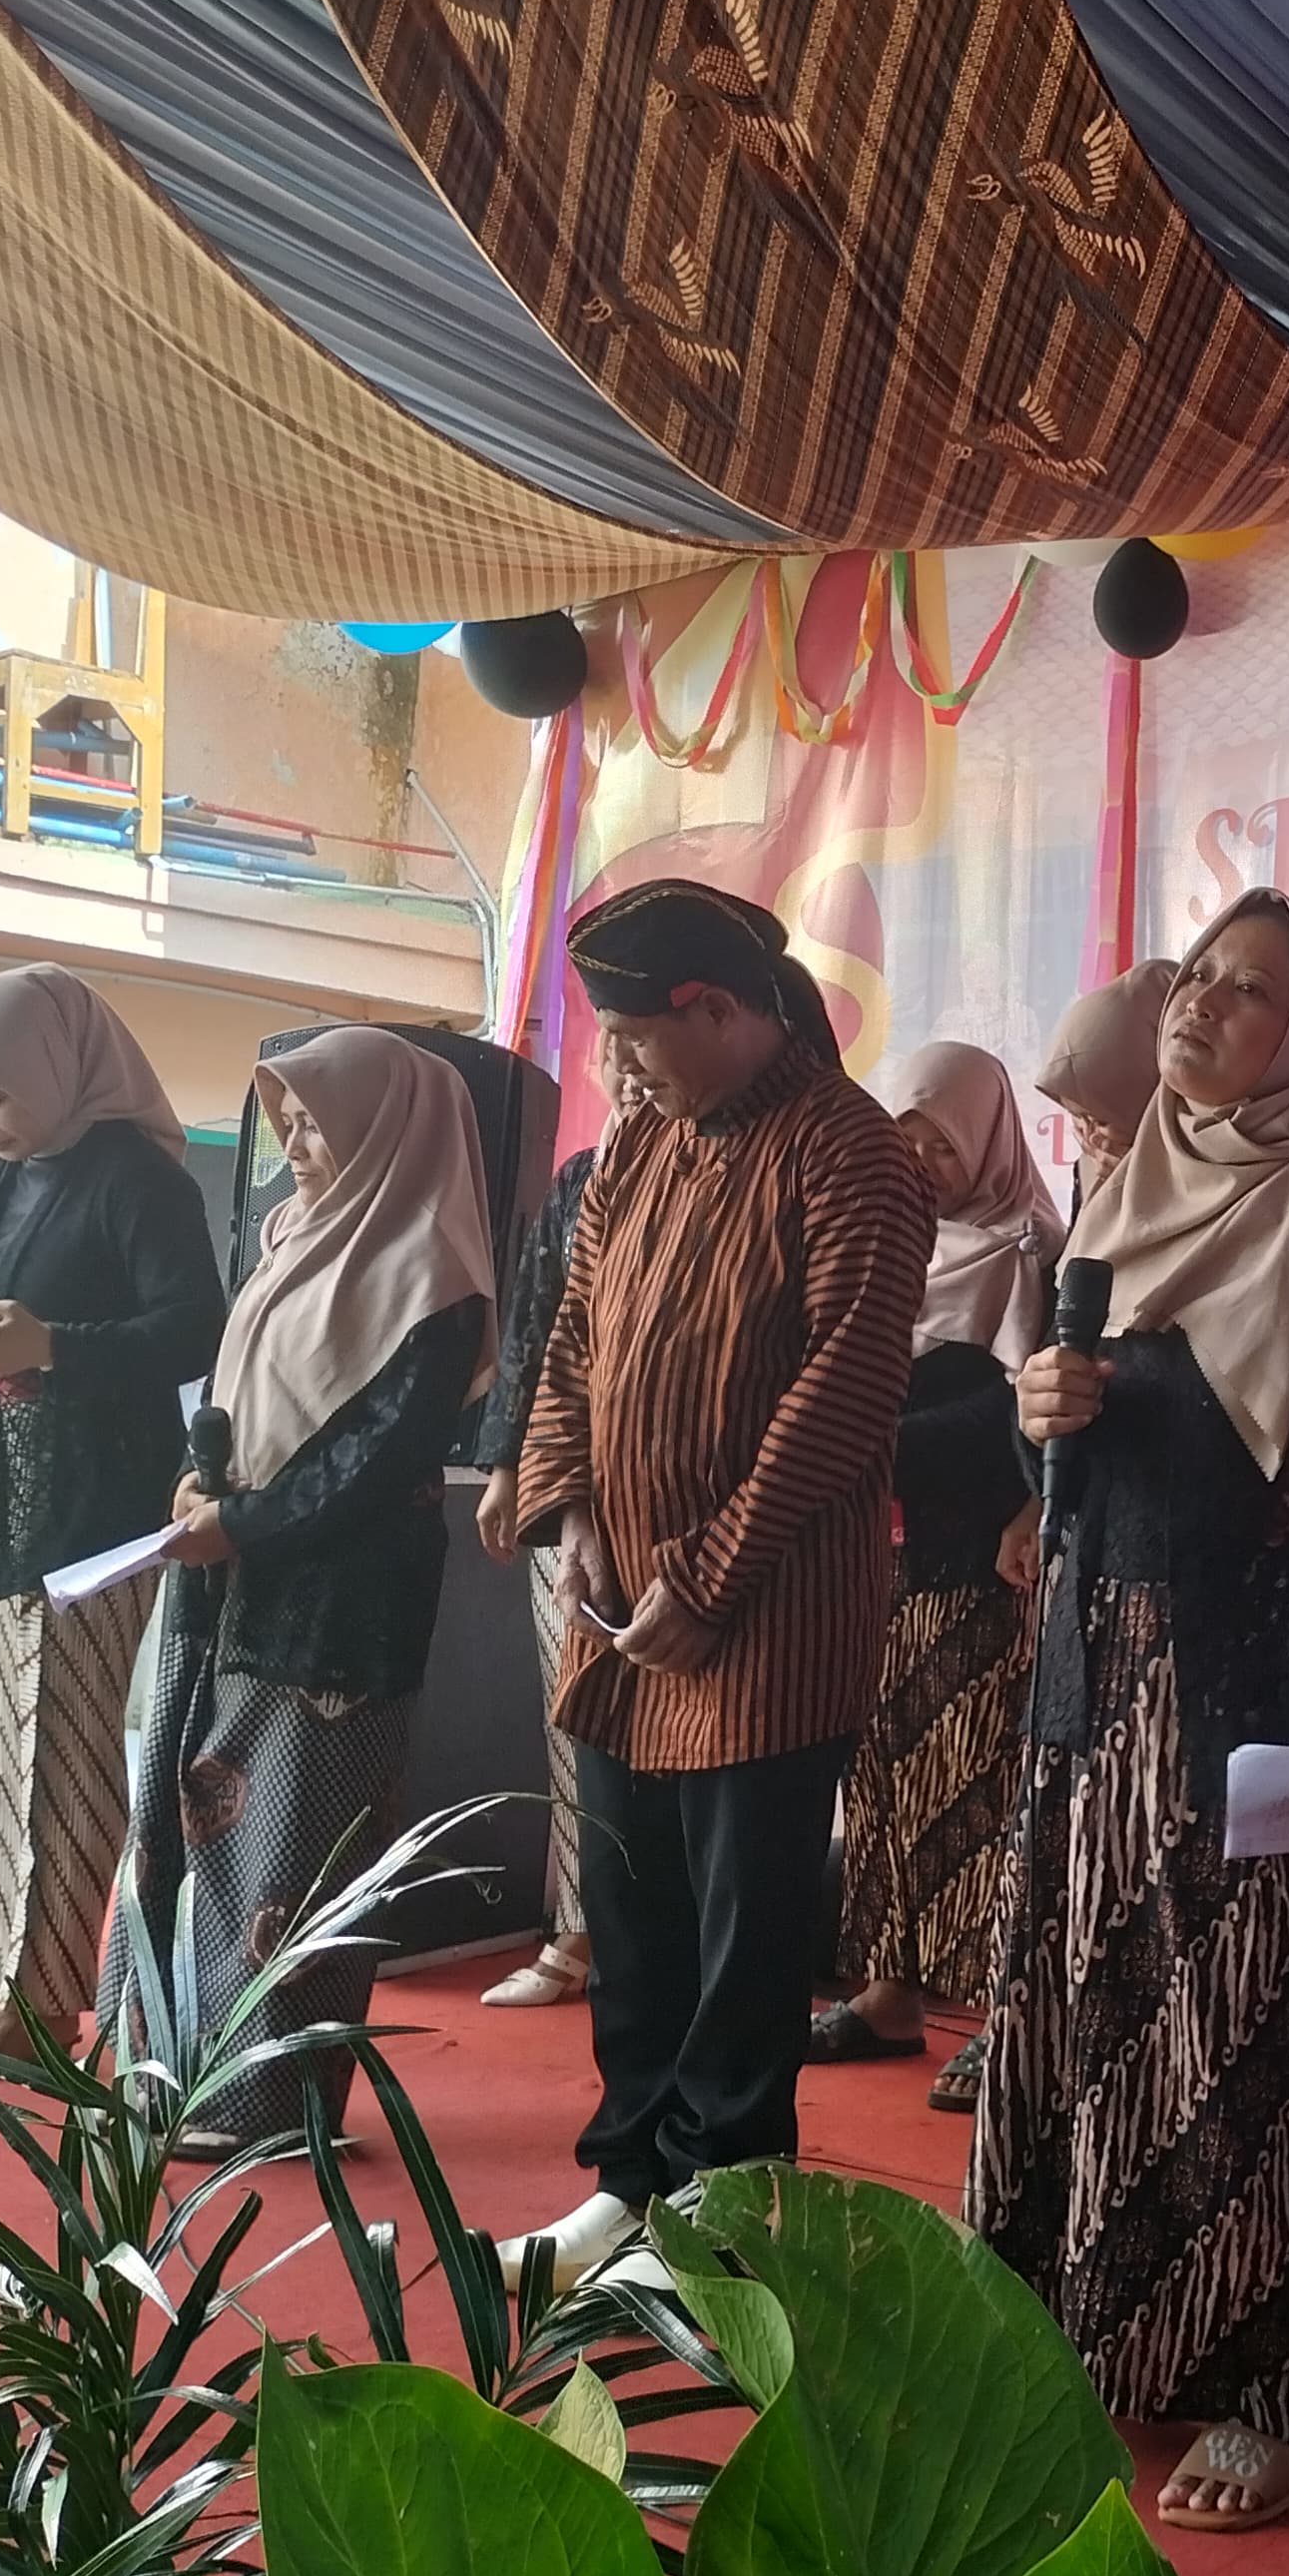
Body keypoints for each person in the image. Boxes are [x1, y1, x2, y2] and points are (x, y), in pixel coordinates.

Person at [974, 891, 1289, 2532]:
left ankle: (1268, 2386)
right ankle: (1091, 2347)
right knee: (1083, 2017)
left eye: (1249, 990)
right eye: (1196, 977)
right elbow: (1082, 1443)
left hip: (1259, 1683)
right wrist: (1043, 1412)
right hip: (1096, 1674)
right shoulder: (1128, 1182)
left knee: (1248, 2037)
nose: (1202, 1005)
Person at [500, 884, 932, 2284]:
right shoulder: (641, 1142)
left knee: (745, 1942)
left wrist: (709, 1571)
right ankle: (631, 2182)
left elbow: (848, 1387)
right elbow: (574, 1333)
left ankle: (719, 2214)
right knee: (632, 1919)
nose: (618, 1068)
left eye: (636, 1037)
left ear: (720, 1009)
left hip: (766, 1626)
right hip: (623, 1611)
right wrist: (571, 1507)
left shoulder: (849, 1148)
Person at [109, 1028, 495, 2154]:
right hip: (225, 1578)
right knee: (180, 1820)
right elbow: (242, 1394)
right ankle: (160, 2067)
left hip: (338, 1610)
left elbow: (380, 1455)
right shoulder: (290, 1233)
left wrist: (243, 1522)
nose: (293, 1142)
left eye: (316, 1121)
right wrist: (202, 1481)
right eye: (285, 1119)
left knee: (290, 1848)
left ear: (389, 1131)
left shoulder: (429, 1271)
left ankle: (264, 2101)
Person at [0, 966, 224, 2068]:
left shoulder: (136, 1177)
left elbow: (194, 1330)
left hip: (85, 1498)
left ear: (55, 1068)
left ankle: (44, 1998)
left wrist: (54, 1346)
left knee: (58, 1745)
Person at [811, 1041, 1058, 2110]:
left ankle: (1003, 2013)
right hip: (873, 1554)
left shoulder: (1029, 1253)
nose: (918, 1161)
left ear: (991, 1143)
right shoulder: (877, 1242)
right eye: (902, 1137)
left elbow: (1017, 1410)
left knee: (976, 1783)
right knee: (880, 1775)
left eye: (942, 1143)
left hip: (976, 1550)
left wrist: (870, 1443)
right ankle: (889, 1995)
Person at [467, 1056, 657, 2011]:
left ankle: (646, 1942)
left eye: (640, 1046)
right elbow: (534, 1327)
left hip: (674, 1502)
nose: (628, 1070)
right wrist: (507, 1464)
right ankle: (580, 1928)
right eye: (610, 1051)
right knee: (574, 1710)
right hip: (567, 1482)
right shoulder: (582, 1178)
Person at [1032, 958, 1178, 1204]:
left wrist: (1145, 1194)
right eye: (1077, 1117)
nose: (1090, 1138)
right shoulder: (1092, 1167)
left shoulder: (1225, 1187)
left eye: (1099, 1120)